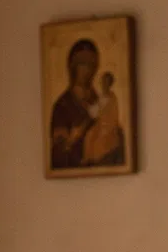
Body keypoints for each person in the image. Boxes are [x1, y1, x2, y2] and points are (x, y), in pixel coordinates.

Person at [49, 39, 126, 169]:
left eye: (92, 64)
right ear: (72, 67)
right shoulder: (62, 105)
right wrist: (72, 139)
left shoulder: (100, 99)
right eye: (82, 64)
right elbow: (58, 152)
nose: (87, 70)